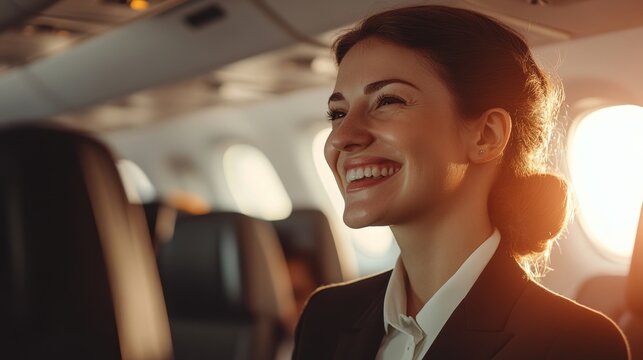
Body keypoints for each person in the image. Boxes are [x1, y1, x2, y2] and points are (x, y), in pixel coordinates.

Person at [292, 5, 630, 360]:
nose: (342, 137)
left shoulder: (573, 344)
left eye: (387, 100)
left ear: (486, 135)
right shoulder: (326, 316)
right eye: (338, 113)